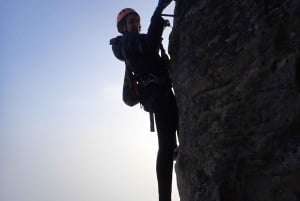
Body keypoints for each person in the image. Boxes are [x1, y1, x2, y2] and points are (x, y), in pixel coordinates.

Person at [110, 1, 178, 201]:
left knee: (169, 144)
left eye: (138, 22)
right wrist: (157, 13)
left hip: (161, 94)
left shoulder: (132, 42)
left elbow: (148, 45)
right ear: (123, 28)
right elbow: (148, 47)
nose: (136, 25)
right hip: (158, 96)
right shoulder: (127, 42)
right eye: (132, 22)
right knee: (166, 146)